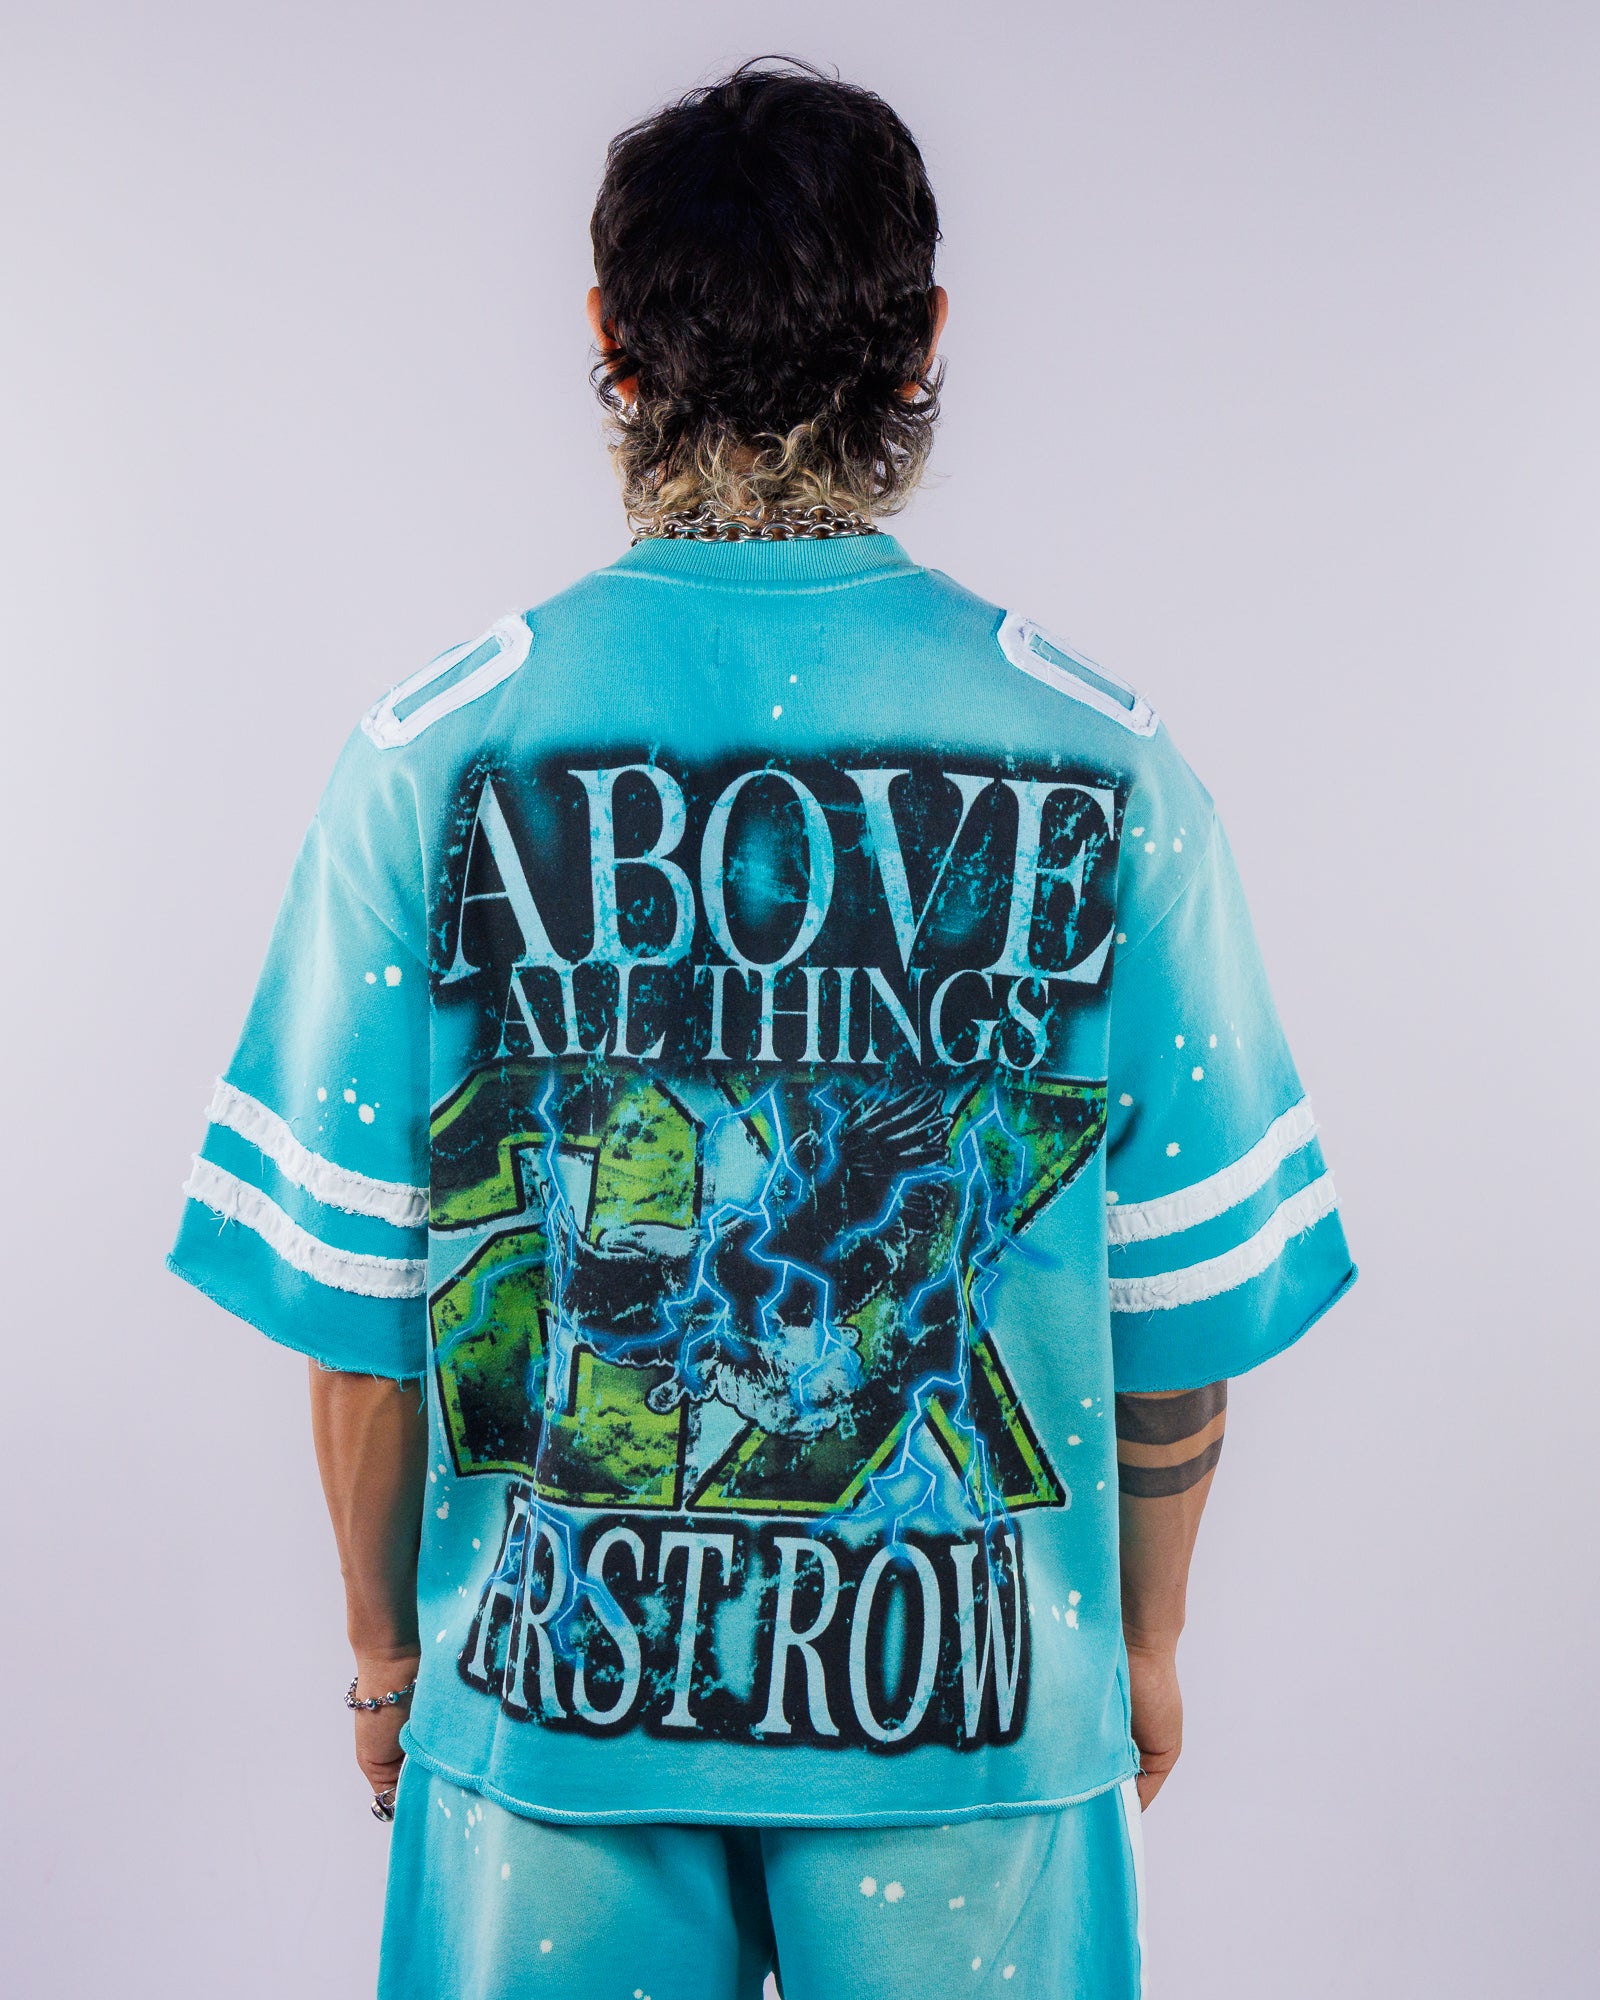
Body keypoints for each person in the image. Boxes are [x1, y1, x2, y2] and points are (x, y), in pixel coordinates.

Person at [168, 58, 1355, 2000]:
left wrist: (388, 1660)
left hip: (546, 1718)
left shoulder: (432, 759)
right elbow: (1174, 1327)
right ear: (924, 344)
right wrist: (1139, 1646)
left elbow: (366, 1319)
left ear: (610, 343)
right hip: (974, 1719)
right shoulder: (1105, 764)